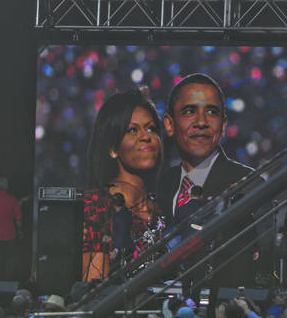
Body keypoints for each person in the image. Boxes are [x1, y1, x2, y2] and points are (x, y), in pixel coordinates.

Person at [158, 74, 255, 303]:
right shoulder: (159, 183)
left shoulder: (249, 182)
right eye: (190, 111)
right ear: (170, 124)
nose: (201, 122)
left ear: (223, 126)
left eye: (211, 112)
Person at [82, 88, 165, 282]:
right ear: (112, 149)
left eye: (151, 128)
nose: (146, 136)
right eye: (132, 130)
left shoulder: (162, 207)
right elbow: (93, 286)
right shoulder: (98, 205)